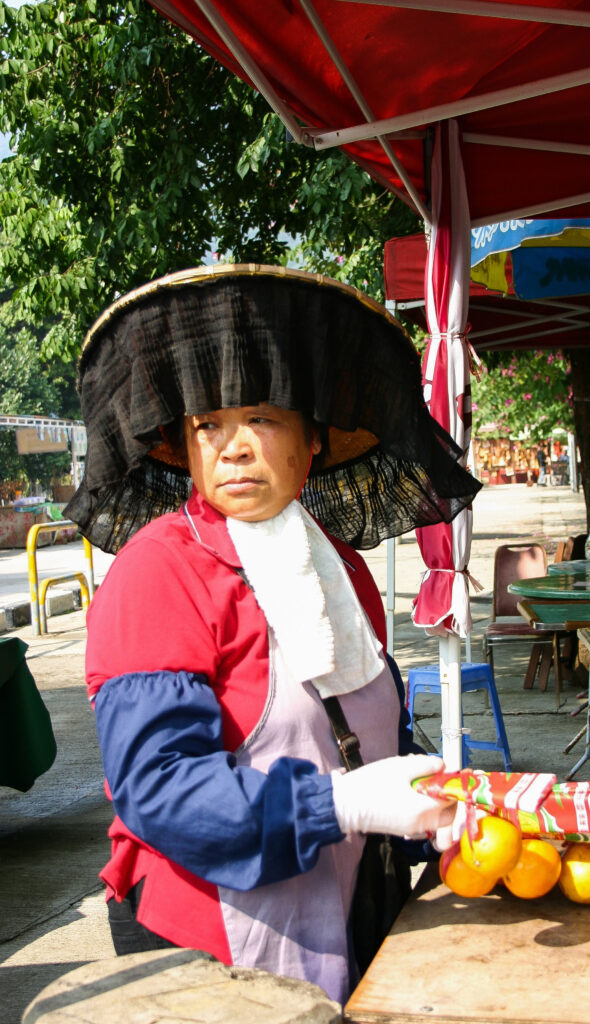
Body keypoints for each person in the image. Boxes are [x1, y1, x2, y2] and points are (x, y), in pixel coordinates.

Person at [66, 265, 481, 1004]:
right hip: (220, 957)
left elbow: (363, 730)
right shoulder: (160, 571)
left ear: (312, 439)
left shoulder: (340, 567)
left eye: (261, 418)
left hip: (353, 909)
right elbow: (155, 787)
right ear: (184, 447)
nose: (232, 447)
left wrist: (435, 794)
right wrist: (343, 805)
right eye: (207, 425)